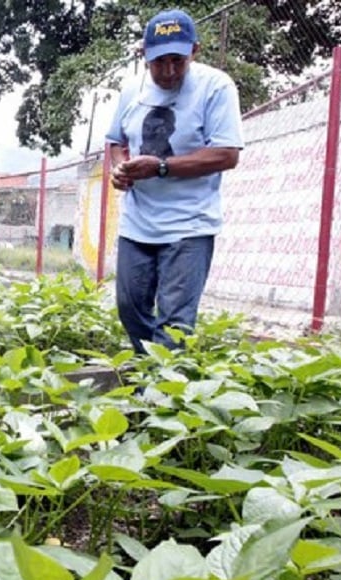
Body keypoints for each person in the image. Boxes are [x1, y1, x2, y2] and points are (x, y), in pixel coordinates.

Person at [105, 8, 244, 354]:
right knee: (130, 306)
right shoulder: (130, 91)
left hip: (189, 225)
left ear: (194, 51)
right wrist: (120, 168)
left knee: (175, 325)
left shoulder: (216, 87)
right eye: (159, 62)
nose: (168, 71)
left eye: (177, 62)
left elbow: (227, 154)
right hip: (137, 223)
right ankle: (147, 378)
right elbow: (114, 141)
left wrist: (161, 167)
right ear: (144, 55)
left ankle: (164, 397)